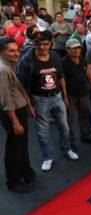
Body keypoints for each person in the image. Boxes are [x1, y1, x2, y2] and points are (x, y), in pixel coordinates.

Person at [17, 30, 79, 172]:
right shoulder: (28, 60)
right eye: (39, 44)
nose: (43, 47)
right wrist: (29, 104)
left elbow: (61, 76)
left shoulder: (55, 57)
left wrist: (64, 95)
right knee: (42, 131)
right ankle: (47, 157)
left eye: (46, 44)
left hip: (57, 97)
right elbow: (22, 85)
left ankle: (67, 149)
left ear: (50, 44)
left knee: (65, 127)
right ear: (35, 44)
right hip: (39, 100)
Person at [0, 37, 36, 193]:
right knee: (14, 147)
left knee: (22, 144)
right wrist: (15, 122)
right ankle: (13, 181)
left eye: (17, 50)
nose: (16, 53)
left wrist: (28, 105)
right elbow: (7, 100)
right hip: (12, 113)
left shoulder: (11, 65)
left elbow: (18, 89)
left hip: (19, 109)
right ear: (2, 53)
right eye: (11, 51)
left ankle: (25, 172)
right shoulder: (3, 70)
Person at [63, 39, 91, 151]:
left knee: (86, 115)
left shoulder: (83, 60)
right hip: (70, 96)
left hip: (84, 94)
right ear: (67, 50)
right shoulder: (63, 63)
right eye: (73, 48)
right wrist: (64, 96)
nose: (76, 50)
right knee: (69, 120)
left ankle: (86, 135)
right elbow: (60, 80)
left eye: (78, 48)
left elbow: (87, 73)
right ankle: (70, 142)